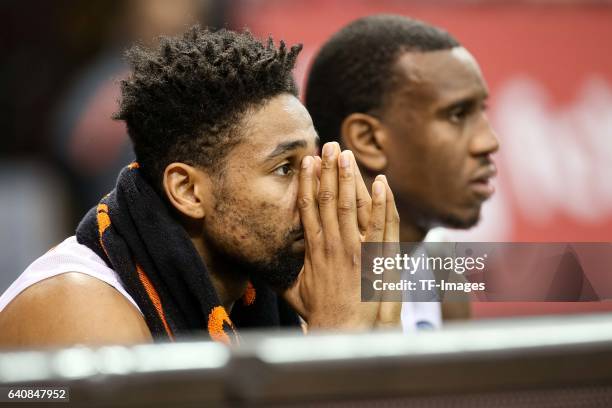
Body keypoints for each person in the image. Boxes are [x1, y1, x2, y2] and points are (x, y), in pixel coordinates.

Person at [0, 26, 400, 348]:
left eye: (314, 161)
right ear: (188, 191)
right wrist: (335, 349)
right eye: (284, 168)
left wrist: (376, 346)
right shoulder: (80, 310)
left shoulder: (263, 294)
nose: (317, 191)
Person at [304, 15, 500, 327]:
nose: (489, 141)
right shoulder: (290, 286)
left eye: (481, 112)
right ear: (369, 140)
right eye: (457, 114)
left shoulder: (441, 268)